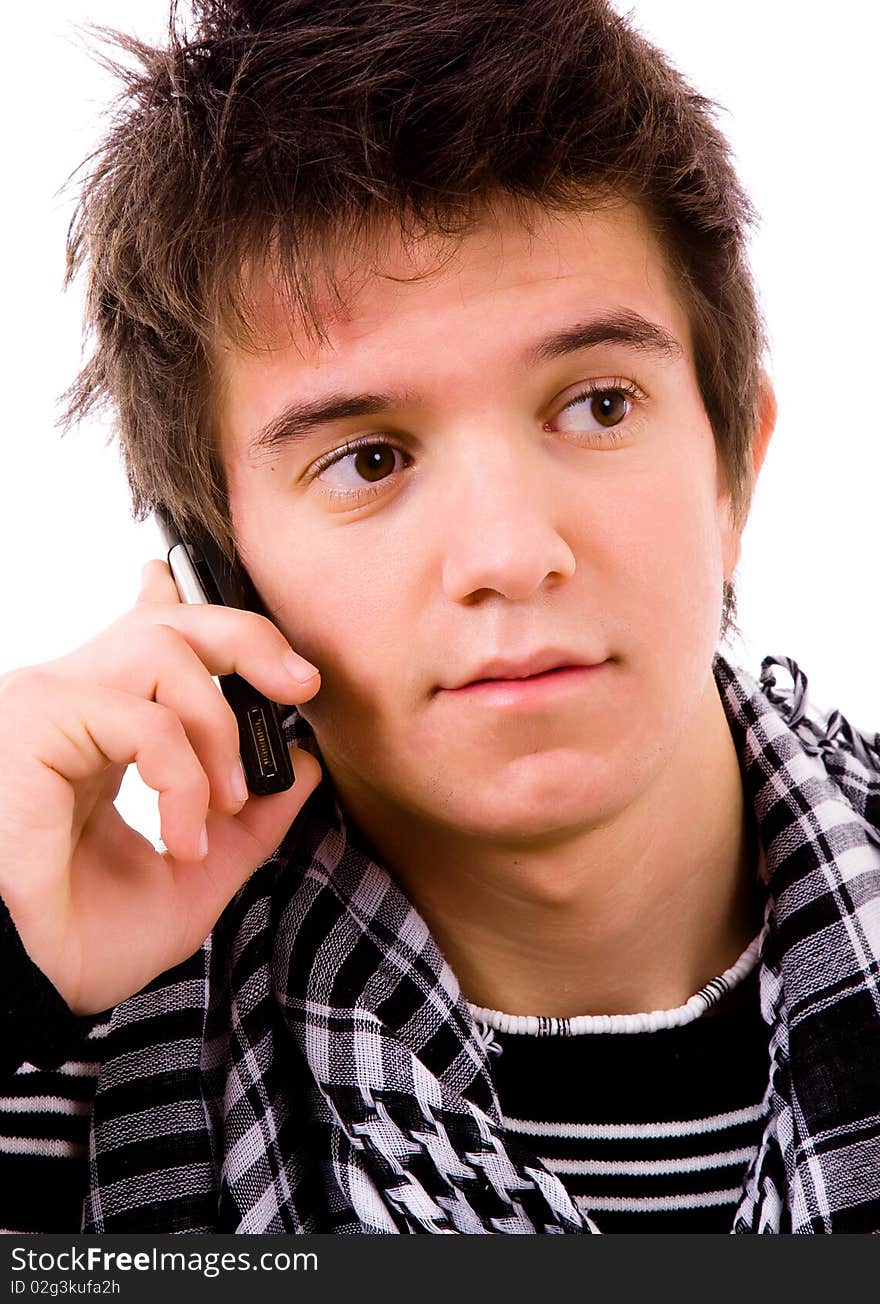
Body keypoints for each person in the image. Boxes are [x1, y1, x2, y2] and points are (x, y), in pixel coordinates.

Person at [1, 0, 878, 1236]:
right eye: (367, 460)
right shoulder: (56, 1082)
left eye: (597, 405)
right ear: (220, 579)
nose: (512, 555)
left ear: (734, 467)